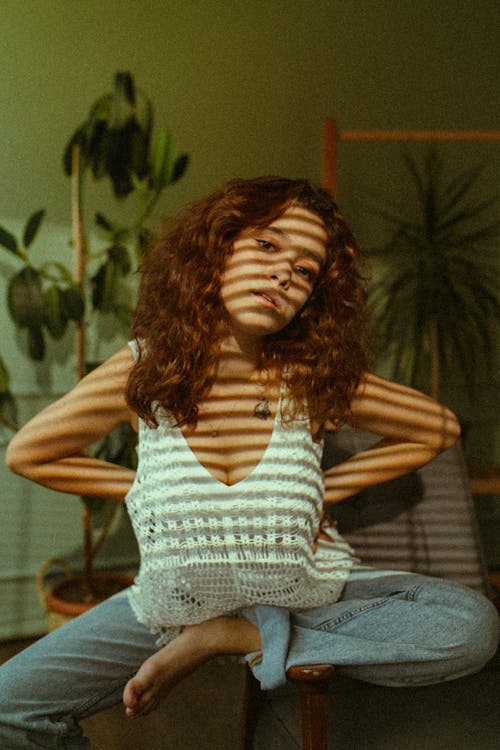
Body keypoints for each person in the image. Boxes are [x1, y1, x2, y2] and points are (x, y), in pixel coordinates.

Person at [0, 177, 498, 748]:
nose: (287, 272)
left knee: (473, 623)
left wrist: (323, 489)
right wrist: (141, 487)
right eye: (268, 245)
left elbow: (439, 428)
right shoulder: (145, 370)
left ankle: (229, 636)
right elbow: (29, 452)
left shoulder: (307, 380)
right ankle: (214, 630)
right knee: (7, 707)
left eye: (307, 270)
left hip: (302, 592)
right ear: (216, 251)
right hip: (172, 603)